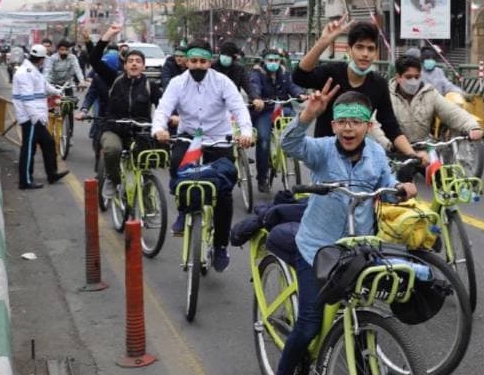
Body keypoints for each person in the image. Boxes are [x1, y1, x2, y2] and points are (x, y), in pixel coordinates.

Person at [258, 81, 415, 375]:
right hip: (317, 248)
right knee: (310, 322)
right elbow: (291, 146)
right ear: (333, 125)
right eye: (342, 121)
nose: (348, 128)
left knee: (359, 320)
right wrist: (305, 117)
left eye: (356, 122)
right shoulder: (323, 149)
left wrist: (400, 188)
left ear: (367, 126)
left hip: (360, 249)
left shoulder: (374, 152)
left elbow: (385, 187)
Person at [152, 39, 252, 250]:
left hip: (218, 137)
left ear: (210, 62)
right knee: (178, 168)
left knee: (224, 192)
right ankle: (182, 210)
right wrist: (159, 129)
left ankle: (220, 246)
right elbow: (163, 109)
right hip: (190, 137)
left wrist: (245, 133)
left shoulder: (223, 82)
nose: (198, 65)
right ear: (187, 62)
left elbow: (239, 109)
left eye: (203, 61)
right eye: (194, 61)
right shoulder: (177, 83)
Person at [291, 18, 427, 163]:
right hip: (325, 157)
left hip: (358, 159)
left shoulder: (379, 84)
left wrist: (412, 154)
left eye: (370, 48)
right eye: (359, 47)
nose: (365, 54)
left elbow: (390, 125)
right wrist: (323, 42)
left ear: (376, 52)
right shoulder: (332, 73)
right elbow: (300, 77)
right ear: (349, 50)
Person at [368, 50, 483, 152]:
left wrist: (472, 126)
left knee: (439, 174)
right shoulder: (386, 95)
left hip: (424, 150)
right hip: (396, 152)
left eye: (417, 77)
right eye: (408, 77)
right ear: (398, 78)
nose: (413, 81)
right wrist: (388, 144)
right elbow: (375, 125)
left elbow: (451, 112)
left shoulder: (430, 93)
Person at [96, 45, 156, 199]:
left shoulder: (151, 86)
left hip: (140, 131)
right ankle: (112, 179)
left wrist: (170, 121)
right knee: (112, 149)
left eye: (138, 61)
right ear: (125, 65)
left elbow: (165, 106)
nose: (134, 64)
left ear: (143, 65)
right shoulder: (115, 80)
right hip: (113, 129)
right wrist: (104, 38)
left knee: (146, 164)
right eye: (130, 61)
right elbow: (94, 60)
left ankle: (148, 201)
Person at [12, 43, 69, 190]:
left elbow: (44, 86)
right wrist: (35, 118)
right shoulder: (25, 72)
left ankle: (52, 174)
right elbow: (27, 98)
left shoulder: (33, 70)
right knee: (29, 149)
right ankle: (25, 181)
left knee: (49, 143)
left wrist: (57, 91)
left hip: (36, 117)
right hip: (31, 118)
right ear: (42, 59)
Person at [249, 46, 302, 193]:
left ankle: (293, 149)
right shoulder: (256, 74)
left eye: (276, 60)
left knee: (298, 122)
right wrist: (257, 98)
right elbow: (254, 87)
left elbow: (293, 87)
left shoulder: (285, 73)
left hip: (283, 108)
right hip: (265, 111)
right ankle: (262, 178)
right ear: (264, 61)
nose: (274, 62)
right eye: (270, 60)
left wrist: (300, 94)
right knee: (264, 141)